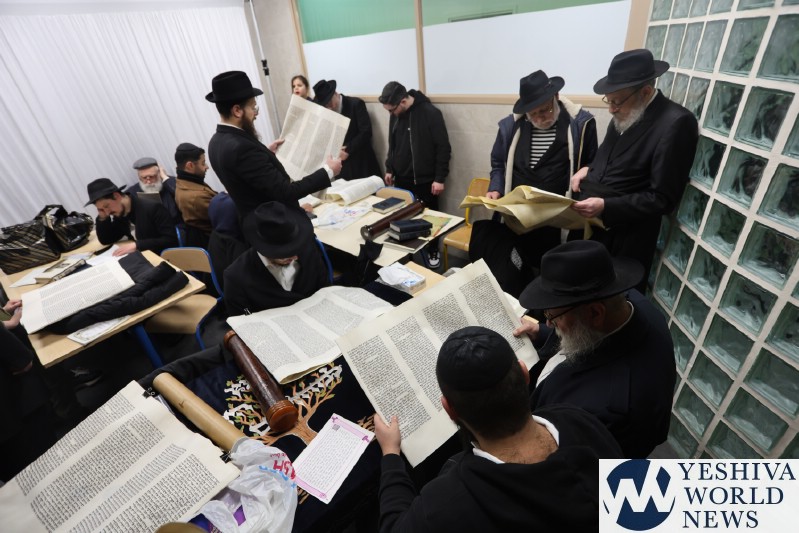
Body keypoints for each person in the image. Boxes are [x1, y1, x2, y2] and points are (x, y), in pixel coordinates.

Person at [373, 325, 622, 532]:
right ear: (524, 374)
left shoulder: (443, 505)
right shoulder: (581, 420)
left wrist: (391, 456)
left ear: (449, 410)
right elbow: (641, 514)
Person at [513, 240, 677, 458]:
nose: (549, 323)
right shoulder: (627, 303)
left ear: (595, 313)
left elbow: (560, 465)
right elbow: (580, 326)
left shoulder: (600, 408)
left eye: (553, 316)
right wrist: (540, 332)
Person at [569, 49, 699, 291]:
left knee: (608, 300)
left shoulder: (676, 122)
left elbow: (662, 199)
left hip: (624, 238)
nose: (611, 109)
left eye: (617, 101)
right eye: (609, 100)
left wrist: (606, 206)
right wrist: (588, 168)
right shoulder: (627, 111)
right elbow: (610, 157)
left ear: (646, 92)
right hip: (592, 227)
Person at [470, 70, 598, 296]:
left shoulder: (581, 124)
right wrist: (495, 188)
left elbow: (593, 163)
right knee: (517, 267)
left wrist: (586, 171)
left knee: (553, 272)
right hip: (520, 216)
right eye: (533, 113)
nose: (539, 118)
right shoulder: (511, 126)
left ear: (556, 97)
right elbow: (498, 163)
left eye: (545, 110)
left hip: (558, 219)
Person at [206, 71, 341, 221]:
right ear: (237, 111)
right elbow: (286, 192)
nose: (256, 114)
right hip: (275, 227)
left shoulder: (215, 142)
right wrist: (328, 171)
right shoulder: (241, 148)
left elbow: (250, 179)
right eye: (253, 107)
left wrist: (266, 153)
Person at [379, 81, 451, 268]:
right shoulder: (395, 115)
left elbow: (443, 147)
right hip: (402, 179)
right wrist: (389, 168)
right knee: (403, 219)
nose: (390, 114)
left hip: (426, 180)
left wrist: (439, 178)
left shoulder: (430, 113)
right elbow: (392, 144)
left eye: (391, 110)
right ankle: (407, 255)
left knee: (430, 219)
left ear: (403, 102)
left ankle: (433, 250)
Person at [224, 201, 329, 316]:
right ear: (264, 248)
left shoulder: (308, 249)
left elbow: (324, 288)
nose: (295, 257)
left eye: (296, 247)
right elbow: (241, 321)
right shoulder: (236, 277)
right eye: (286, 253)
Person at [87, 177, 178, 255]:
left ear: (116, 196)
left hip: (160, 256)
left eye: (106, 206)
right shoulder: (120, 212)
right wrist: (102, 217)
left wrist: (138, 245)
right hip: (141, 256)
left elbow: (170, 239)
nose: (107, 213)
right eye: (101, 209)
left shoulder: (152, 207)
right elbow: (106, 240)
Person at [313, 79, 381, 181]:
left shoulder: (356, 104)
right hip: (343, 167)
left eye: (329, 102)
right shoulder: (327, 112)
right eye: (325, 105)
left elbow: (366, 132)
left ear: (335, 93)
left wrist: (348, 149)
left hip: (361, 161)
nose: (329, 107)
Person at [174, 142, 217, 243]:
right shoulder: (196, 197)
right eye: (203, 163)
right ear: (190, 166)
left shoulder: (184, 182)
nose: (206, 167)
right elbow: (226, 216)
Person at [128, 156, 184, 226]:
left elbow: (184, 198)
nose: (148, 181)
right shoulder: (133, 192)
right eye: (144, 178)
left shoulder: (171, 183)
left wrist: (165, 178)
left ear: (159, 173)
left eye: (151, 177)